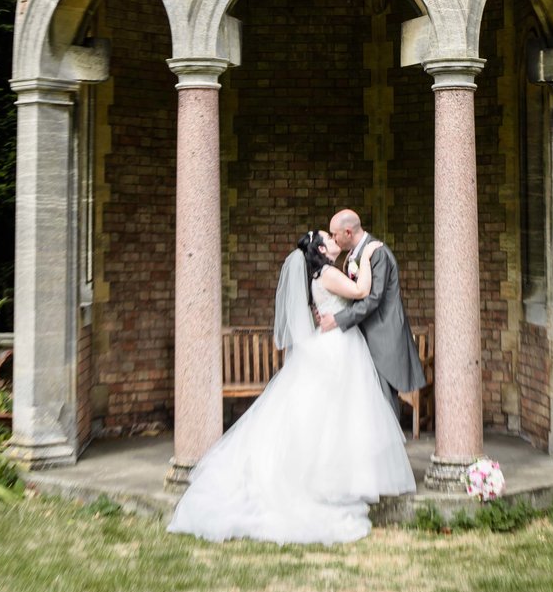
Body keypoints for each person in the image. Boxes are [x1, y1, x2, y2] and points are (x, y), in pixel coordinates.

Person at [167, 230, 416, 544]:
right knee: (337, 416)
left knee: (332, 417)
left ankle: (335, 478)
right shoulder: (326, 274)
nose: (334, 239)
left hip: (335, 344)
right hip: (336, 348)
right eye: (329, 237)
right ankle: (329, 482)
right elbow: (362, 289)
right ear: (321, 249)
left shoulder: (321, 274)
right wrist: (366, 257)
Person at [319, 209, 427, 416]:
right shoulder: (354, 254)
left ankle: (391, 447)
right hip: (364, 337)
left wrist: (338, 319)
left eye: (335, 234)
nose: (333, 238)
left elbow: (373, 299)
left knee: (383, 401)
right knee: (369, 403)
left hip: (383, 337)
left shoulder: (378, 253)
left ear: (348, 232)